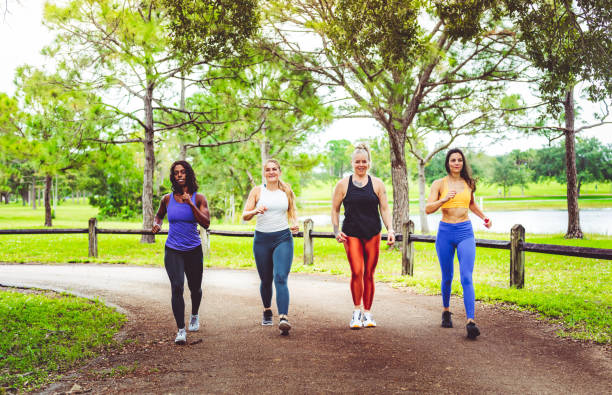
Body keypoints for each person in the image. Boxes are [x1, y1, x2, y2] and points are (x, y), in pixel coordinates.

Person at [425, 148, 491, 340]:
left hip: (465, 232)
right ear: (447, 163)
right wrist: (444, 199)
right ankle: (446, 311)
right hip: (445, 232)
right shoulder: (439, 184)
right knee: (447, 277)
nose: (456, 163)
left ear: (463, 163)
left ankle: (471, 321)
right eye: (453, 160)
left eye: (459, 160)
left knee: (466, 277)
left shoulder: (468, 183)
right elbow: (428, 209)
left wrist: (484, 217)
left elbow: (471, 204)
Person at [331, 143, 395, 329]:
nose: (361, 164)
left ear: (369, 163)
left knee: (369, 273)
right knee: (357, 271)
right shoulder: (343, 184)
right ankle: (356, 312)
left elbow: (384, 208)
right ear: (352, 163)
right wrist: (336, 231)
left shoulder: (377, 184)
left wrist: (390, 229)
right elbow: (334, 210)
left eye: (364, 161)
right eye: (357, 161)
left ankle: (368, 313)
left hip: (373, 232)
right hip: (351, 233)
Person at [152, 160, 210, 345]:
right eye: (176, 172)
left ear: (188, 174)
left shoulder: (199, 198)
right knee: (177, 287)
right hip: (173, 249)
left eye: (182, 172)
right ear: (173, 176)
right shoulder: (167, 199)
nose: (179, 175)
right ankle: (181, 330)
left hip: (193, 249)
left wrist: (190, 204)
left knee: (195, 288)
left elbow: (206, 223)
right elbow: (159, 215)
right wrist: (157, 224)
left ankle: (194, 315)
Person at [242, 159, 299, 336]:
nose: (271, 172)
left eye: (274, 169)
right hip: (262, 240)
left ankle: (283, 318)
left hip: (283, 238)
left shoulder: (286, 190)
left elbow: (293, 211)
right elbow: (245, 215)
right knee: (266, 280)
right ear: (264, 173)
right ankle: (267, 309)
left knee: (280, 277)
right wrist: (255, 211)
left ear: (279, 172)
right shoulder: (258, 191)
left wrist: (295, 224)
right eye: (268, 170)